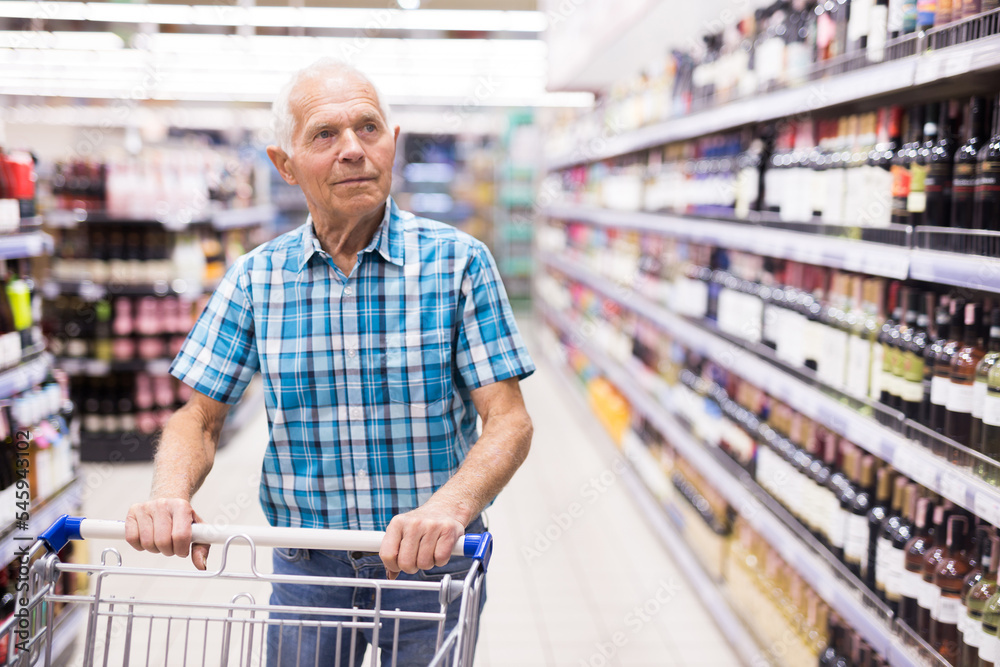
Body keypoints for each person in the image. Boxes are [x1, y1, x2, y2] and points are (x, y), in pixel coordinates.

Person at [124, 58, 535, 664]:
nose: (352, 150)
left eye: (368, 129)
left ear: (393, 145)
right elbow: (200, 417)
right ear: (283, 165)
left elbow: (509, 420)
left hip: (431, 567)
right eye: (324, 135)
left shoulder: (459, 263)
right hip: (306, 567)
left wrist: (451, 505)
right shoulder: (257, 279)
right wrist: (169, 492)